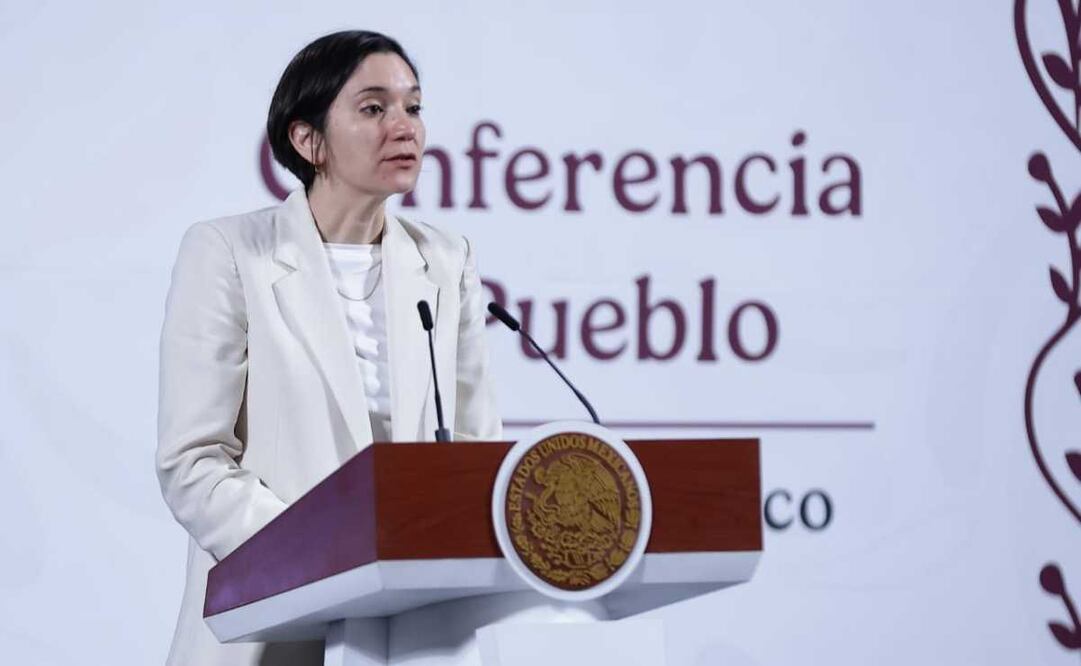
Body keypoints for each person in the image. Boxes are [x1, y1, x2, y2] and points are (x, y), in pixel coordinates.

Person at [155, 30, 501, 666]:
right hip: (277, 619)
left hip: (419, 629)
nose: (405, 128)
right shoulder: (231, 253)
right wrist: (321, 554)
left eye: (414, 107)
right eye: (374, 109)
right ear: (307, 140)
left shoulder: (445, 261)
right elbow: (193, 461)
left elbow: (477, 456)